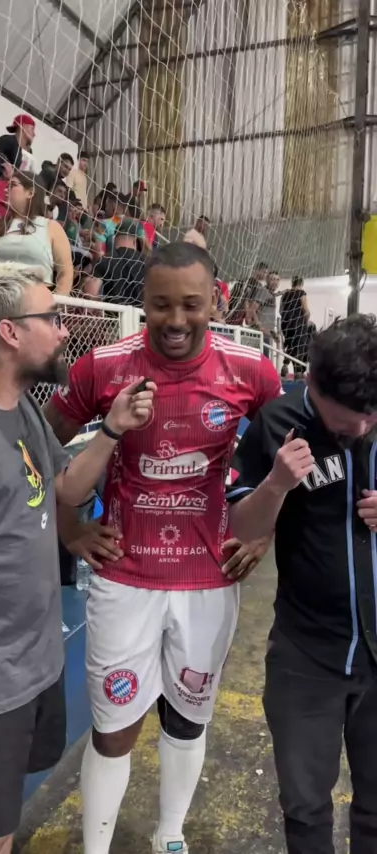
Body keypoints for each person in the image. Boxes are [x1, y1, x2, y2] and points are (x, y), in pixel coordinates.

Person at [0, 262, 155, 854]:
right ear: (11, 332)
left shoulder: (22, 409)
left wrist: (112, 429)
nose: (64, 330)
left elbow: (64, 488)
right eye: (52, 317)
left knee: (0, 831)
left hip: (35, 668)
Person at [44, 242, 282, 854]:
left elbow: (289, 459)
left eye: (191, 305)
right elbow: (42, 442)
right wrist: (70, 529)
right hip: (125, 578)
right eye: (161, 305)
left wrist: (262, 531)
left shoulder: (251, 371)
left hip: (209, 579)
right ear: (143, 303)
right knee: (113, 727)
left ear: (214, 303)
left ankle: (169, 836)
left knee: (188, 718)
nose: (176, 320)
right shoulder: (103, 366)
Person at [226, 313, 377, 854]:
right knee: (307, 807)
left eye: (371, 417)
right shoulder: (278, 423)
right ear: (310, 383)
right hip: (307, 655)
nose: (363, 429)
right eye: (346, 423)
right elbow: (241, 529)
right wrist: (276, 485)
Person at [0, 171, 73, 294]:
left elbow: (65, 272)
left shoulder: (51, 227)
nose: (6, 190)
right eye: (6, 186)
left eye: (13, 185)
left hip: (37, 300)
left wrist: (57, 301)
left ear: (30, 192)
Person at [83, 219, 146, 304]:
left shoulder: (105, 260)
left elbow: (91, 293)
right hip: (140, 311)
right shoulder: (146, 262)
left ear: (114, 239)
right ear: (135, 241)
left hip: (112, 311)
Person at [280, 275, 311, 377]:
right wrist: (306, 322)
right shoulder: (301, 293)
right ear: (301, 283)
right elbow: (306, 310)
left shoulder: (285, 294)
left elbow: (281, 310)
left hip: (286, 324)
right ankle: (298, 371)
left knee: (290, 344)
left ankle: (285, 364)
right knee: (299, 346)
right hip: (298, 323)